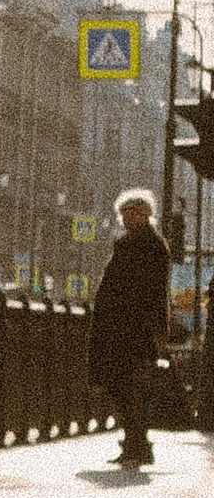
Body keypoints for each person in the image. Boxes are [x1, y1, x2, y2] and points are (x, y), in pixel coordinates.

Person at [90, 189, 172, 467]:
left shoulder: (148, 245)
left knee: (127, 387)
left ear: (147, 214)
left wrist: (158, 328)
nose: (126, 218)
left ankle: (137, 445)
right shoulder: (134, 243)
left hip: (131, 330)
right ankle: (136, 444)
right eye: (123, 214)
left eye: (132, 213)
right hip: (121, 328)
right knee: (124, 387)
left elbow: (156, 292)